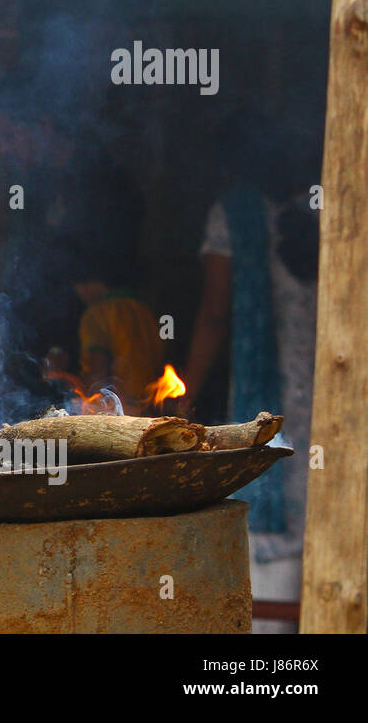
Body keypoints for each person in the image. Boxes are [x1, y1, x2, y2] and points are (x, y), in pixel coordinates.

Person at [181, 112, 319, 632]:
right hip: (338, 400)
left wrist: (184, 402)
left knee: (271, 518)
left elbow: (215, 313)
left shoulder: (232, 214)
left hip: (273, 405)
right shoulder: (329, 206)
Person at [70, 253, 166, 415]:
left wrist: (86, 403)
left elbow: (97, 369)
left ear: (87, 284)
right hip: (153, 406)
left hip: (119, 408)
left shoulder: (97, 312)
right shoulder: (147, 310)